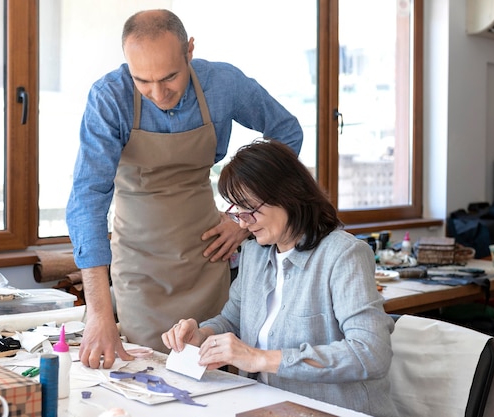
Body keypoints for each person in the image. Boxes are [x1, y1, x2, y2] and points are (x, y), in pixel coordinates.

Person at [66, 9, 303, 368]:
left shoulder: (222, 84)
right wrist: (99, 313)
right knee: (148, 376)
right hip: (139, 268)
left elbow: (287, 133)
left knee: (219, 373)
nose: (158, 93)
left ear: (189, 50)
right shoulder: (108, 98)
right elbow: (87, 200)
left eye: (170, 77)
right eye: (142, 81)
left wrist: (242, 221)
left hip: (207, 257)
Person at [162, 140, 399, 417]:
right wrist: (202, 335)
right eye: (236, 211)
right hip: (269, 406)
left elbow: (370, 353)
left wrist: (260, 359)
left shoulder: (343, 255)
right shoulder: (254, 254)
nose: (242, 223)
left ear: (288, 195)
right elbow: (233, 319)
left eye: (249, 209)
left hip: (336, 409)